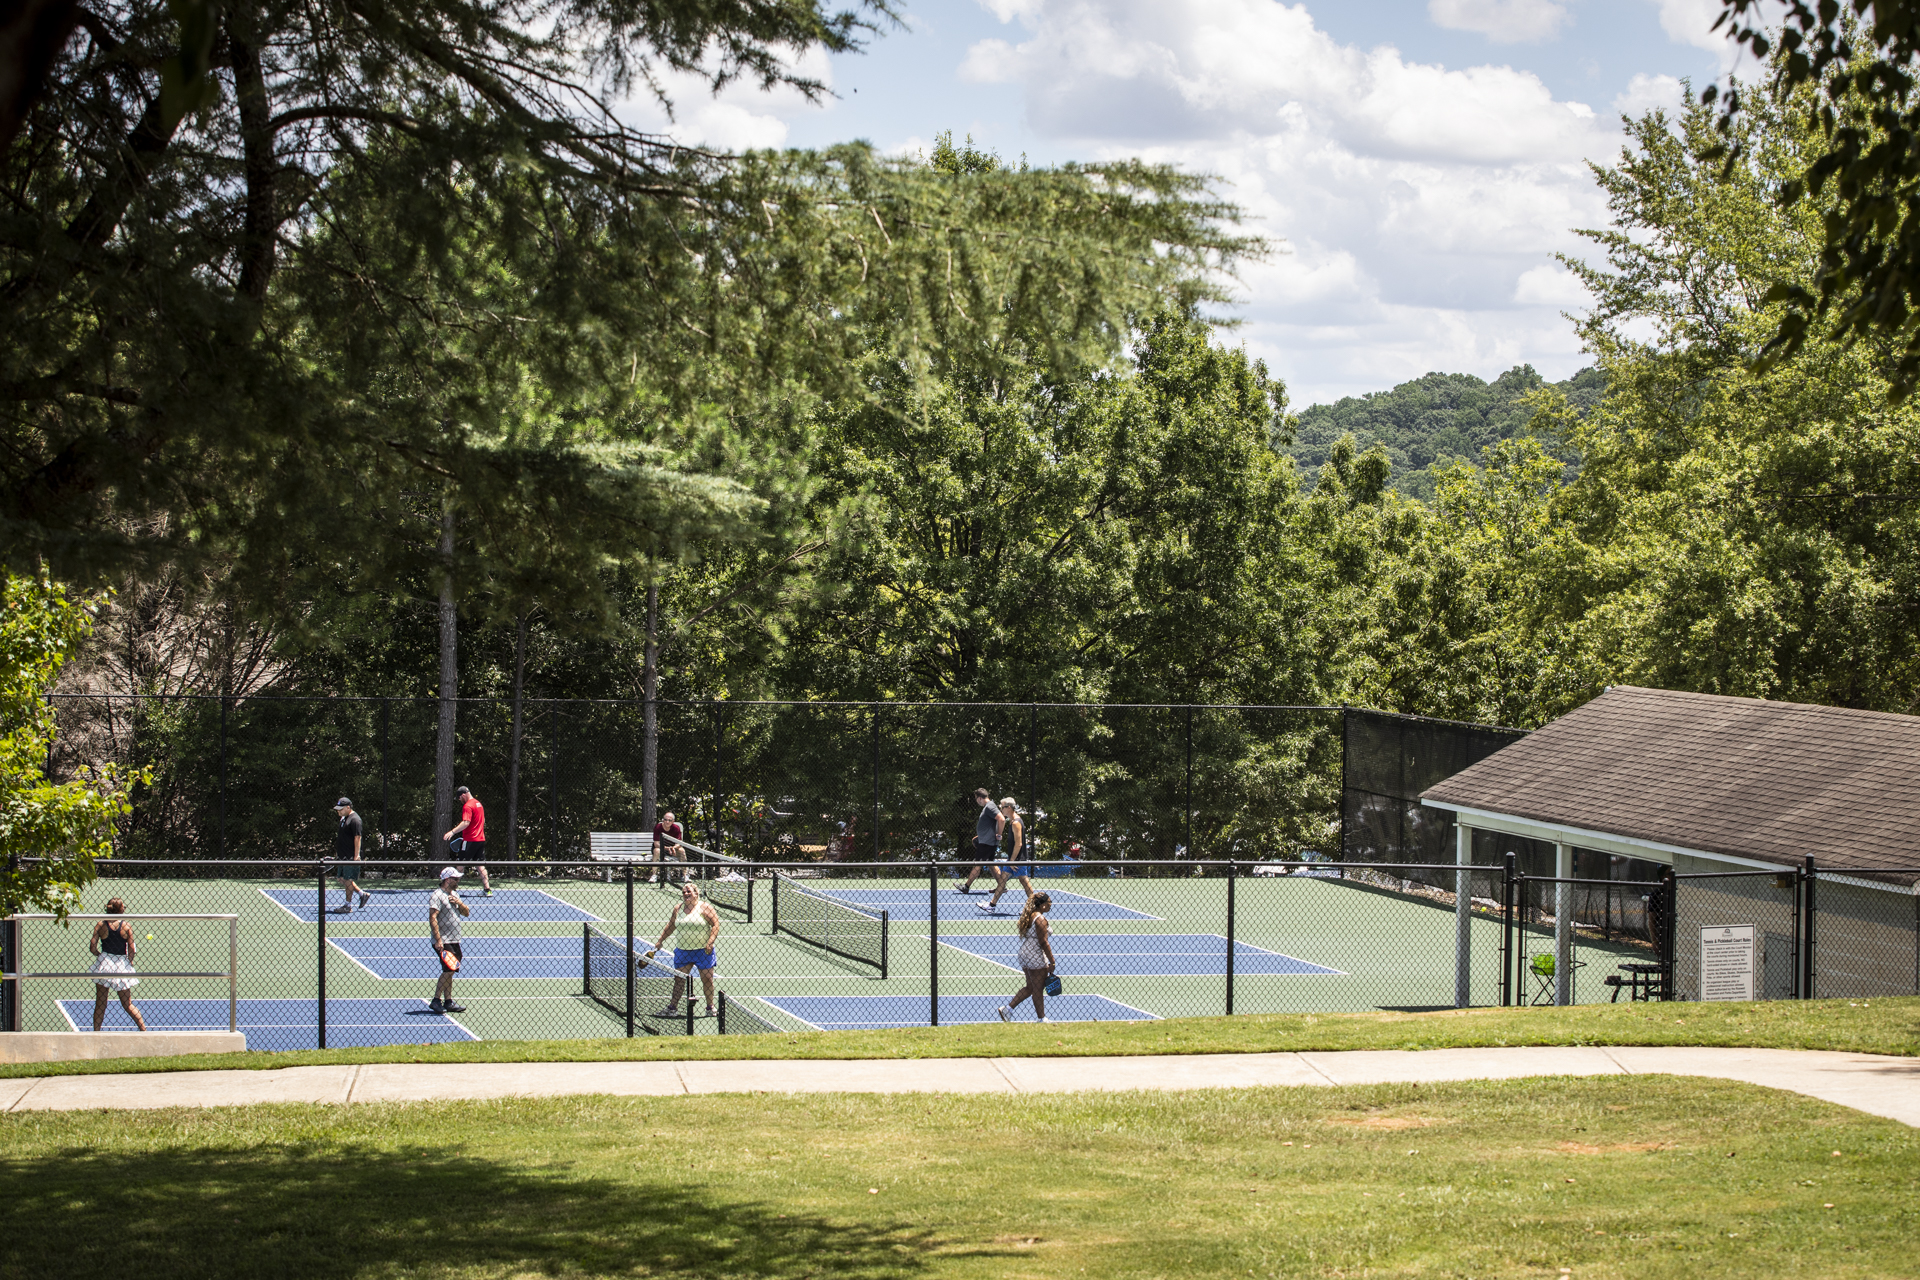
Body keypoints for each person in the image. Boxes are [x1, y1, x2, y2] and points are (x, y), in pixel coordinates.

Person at [648, 881, 719, 1018]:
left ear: (696, 894)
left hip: (703, 951)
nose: (686, 894)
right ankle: (672, 1008)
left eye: (688, 892)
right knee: (679, 979)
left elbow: (715, 924)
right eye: (684, 892)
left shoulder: (705, 907)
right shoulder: (678, 908)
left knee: (707, 979)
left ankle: (710, 1007)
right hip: (683, 951)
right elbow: (671, 925)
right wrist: (661, 940)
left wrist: (710, 942)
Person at [89, 898, 147, 1031]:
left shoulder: (101, 924)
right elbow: (131, 948)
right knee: (127, 1004)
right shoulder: (126, 926)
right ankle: (143, 1030)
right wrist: (130, 961)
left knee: (100, 1003)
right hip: (121, 965)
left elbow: (92, 947)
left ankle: (96, 1032)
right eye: (124, 907)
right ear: (120, 910)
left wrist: (100, 956)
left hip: (104, 964)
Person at [998, 892, 1056, 1024]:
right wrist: (1052, 961)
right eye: (1049, 902)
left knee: (1030, 987)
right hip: (1035, 954)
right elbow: (1044, 942)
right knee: (1038, 988)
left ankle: (1007, 1010)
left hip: (1025, 953)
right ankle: (1042, 1018)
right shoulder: (1040, 919)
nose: (1051, 905)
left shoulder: (1031, 915)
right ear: (1042, 905)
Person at [428, 866, 471, 1014]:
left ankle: (448, 1001)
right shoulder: (437, 895)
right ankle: (436, 1000)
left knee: (450, 970)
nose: (458, 881)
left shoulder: (455, 894)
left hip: (454, 939)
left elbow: (466, 913)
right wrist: (438, 939)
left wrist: (459, 903)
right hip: (444, 940)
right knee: (450, 969)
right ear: (447, 880)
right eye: (455, 879)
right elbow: (433, 917)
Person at [983, 796, 1034, 914]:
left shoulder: (1016, 823)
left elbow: (1019, 844)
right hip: (1012, 859)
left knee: (1025, 882)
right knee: (1002, 880)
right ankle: (992, 905)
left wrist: (1012, 861)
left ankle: (1034, 907)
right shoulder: (1012, 821)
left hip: (1017, 860)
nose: (1001, 809)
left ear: (1009, 807)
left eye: (1003, 807)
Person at [442, 784, 492, 896]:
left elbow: (466, 822)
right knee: (480, 865)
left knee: (460, 863)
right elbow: (483, 821)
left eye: (459, 797)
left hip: (469, 840)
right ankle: (487, 890)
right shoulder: (479, 804)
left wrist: (452, 832)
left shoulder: (467, 806)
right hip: (480, 840)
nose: (459, 800)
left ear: (463, 795)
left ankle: (452, 889)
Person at [956, 788, 1004, 895]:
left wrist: (999, 834)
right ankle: (1002, 886)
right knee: (991, 863)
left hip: (987, 843)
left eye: (976, 799)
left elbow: (1001, 819)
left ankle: (966, 886)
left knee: (978, 863)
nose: (977, 802)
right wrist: (982, 835)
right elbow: (990, 825)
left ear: (980, 798)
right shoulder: (989, 806)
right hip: (987, 841)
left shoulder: (990, 806)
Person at [332, 796, 369, 912]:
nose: (339, 811)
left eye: (341, 809)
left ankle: (347, 906)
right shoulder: (344, 818)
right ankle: (362, 894)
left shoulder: (355, 819)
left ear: (348, 807)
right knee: (341, 878)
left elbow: (357, 837)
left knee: (348, 879)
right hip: (343, 855)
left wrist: (356, 855)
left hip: (350, 856)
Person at [651, 809, 685, 884]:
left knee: (682, 851)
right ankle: (654, 875)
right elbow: (656, 844)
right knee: (656, 851)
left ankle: (685, 876)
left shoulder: (676, 828)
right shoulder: (658, 827)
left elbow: (679, 843)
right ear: (663, 820)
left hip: (673, 849)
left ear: (673, 821)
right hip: (661, 848)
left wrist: (673, 848)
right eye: (665, 820)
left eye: (669, 820)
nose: (667, 822)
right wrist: (667, 848)